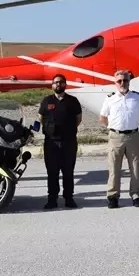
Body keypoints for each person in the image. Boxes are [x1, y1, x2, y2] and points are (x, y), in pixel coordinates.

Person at [99, 70, 139, 209]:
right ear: (115, 83)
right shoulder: (110, 98)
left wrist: (134, 124)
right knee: (114, 168)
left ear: (129, 81)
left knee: (135, 168)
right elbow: (103, 117)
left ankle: (136, 195)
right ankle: (113, 196)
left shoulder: (137, 97)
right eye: (119, 81)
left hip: (133, 136)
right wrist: (113, 127)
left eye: (125, 80)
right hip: (116, 137)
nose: (122, 83)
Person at [37, 74, 82, 210]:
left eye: (61, 82)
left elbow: (78, 119)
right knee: (52, 172)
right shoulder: (46, 101)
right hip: (51, 143)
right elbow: (40, 117)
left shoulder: (72, 101)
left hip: (68, 142)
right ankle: (52, 199)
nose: (58, 84)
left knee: (68, 171)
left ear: (65, 85)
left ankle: (69, 198)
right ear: (52, 85)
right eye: (56, 82)